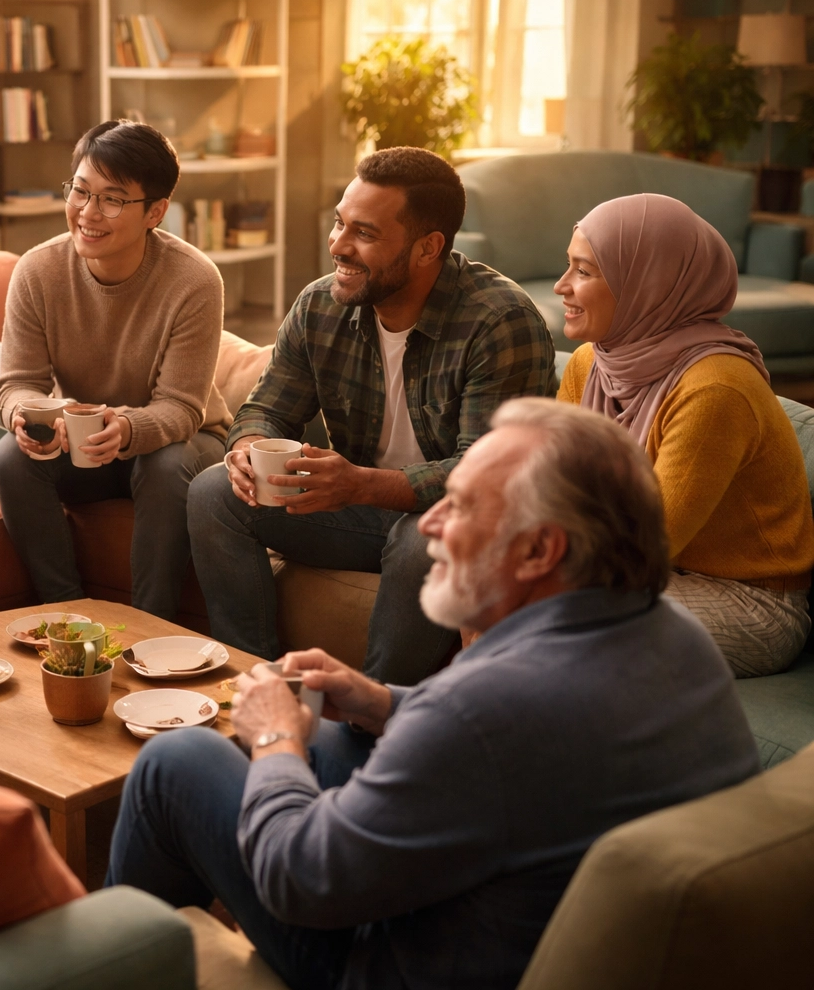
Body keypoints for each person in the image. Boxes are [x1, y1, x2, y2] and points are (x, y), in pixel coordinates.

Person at [109, 397, 759, 990]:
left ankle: (98, 959)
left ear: (539, 550)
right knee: (333, 734)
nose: (431, 523)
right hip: (519, 922)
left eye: (462, 504)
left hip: (397, 966)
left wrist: (275, 737)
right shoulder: (677, 638)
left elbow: (299, 879)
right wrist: (383, 703)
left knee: (178, 761)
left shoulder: (482, 709)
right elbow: (515, 757)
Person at [188, 146, 557, 671]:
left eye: (364, 233)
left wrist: (359, 484)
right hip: (362, 511)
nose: (338, 245)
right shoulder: (320, 306)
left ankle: (379, 709)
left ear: (428, 247)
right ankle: (253, 681)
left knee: (420, 540)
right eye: (340, 223)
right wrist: (249, 449)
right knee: (213, 492)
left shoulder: (500, 322)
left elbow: (486, 479)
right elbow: (265, 408)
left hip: (461, 521)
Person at [554, 193, 814, 677]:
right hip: (642, 569)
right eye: (568, 265)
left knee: (543, 613)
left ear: (646, 283)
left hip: (749, 602)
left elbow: (648, 544)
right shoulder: (591, 362)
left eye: (583, 271)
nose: (561, 286)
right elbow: (554, 488)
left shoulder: (716, 388)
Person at [0, 120, 228, 620]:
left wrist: (124, 427)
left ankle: (151, 628)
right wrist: (27, 417)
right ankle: (66, 617)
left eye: (112, 199)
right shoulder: (37, 270)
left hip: (185, 442)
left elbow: (182, 408)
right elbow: (17, 383)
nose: (88, 212)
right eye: (80, 191)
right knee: (11, 457)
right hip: (87, 444)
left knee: (164, 465)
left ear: (155, 212)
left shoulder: (194, 280)